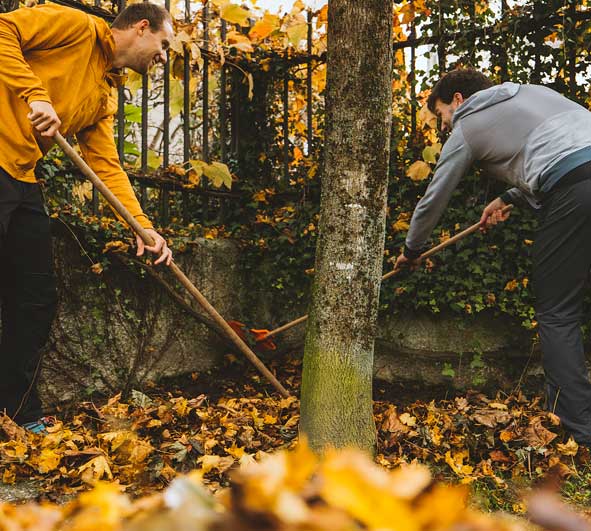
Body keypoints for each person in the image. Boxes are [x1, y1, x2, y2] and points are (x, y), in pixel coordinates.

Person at [0, 1, 174, 429]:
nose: (164, 57)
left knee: (35, 300)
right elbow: (2, 31)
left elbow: (106, 166)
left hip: (21, 179)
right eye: (164, 44)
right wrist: (35, 94)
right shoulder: (75, 26)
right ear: (141, 27)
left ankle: (19, 413)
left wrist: (142, 226)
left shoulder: (103, 90)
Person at [394, 68, 591, 444]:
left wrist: (412, 250)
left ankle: (578, 432)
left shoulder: (468, 124)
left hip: (575, 191)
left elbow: (435, 196)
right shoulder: (532, 91)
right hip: (576, 179)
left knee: (557, 311)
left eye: (441, 116)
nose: (443, 126)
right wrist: (508, 198)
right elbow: (563, 150)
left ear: (457, 100)